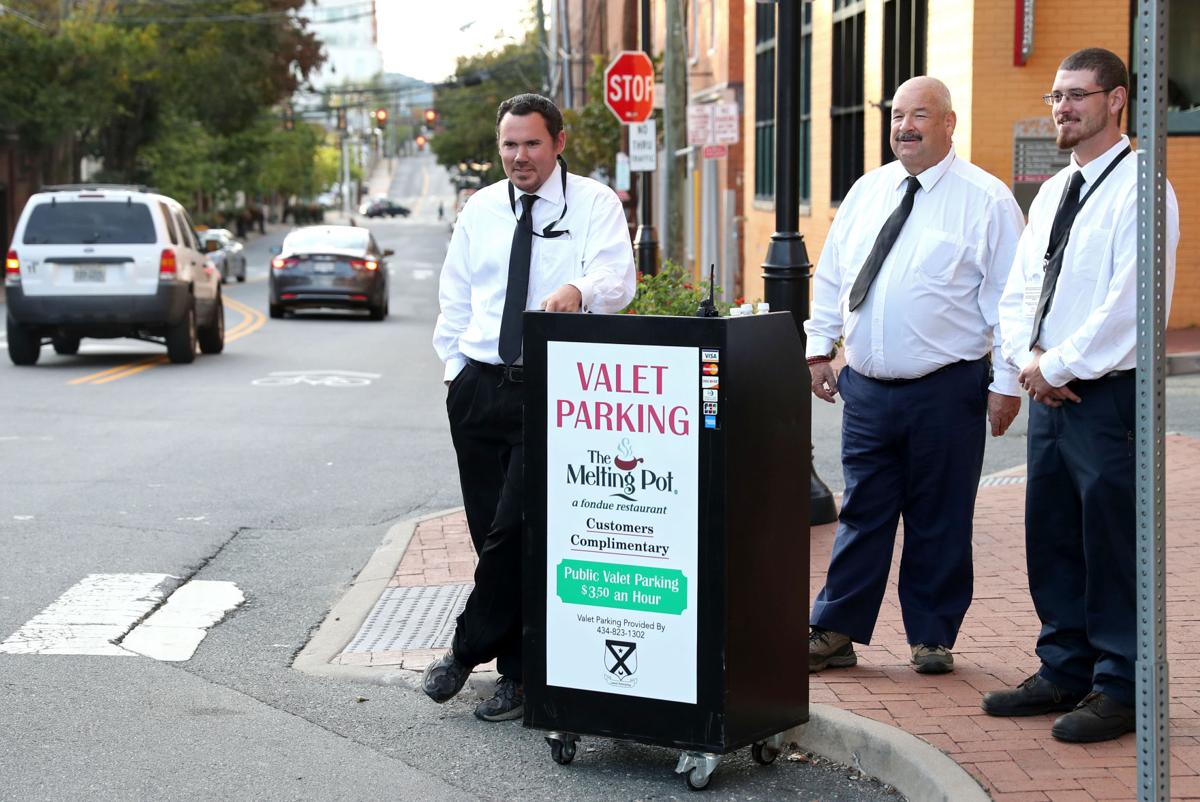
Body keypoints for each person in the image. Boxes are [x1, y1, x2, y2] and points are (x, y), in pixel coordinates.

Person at [984, 48, 1179, 743]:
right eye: (1055, 95)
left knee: (1110, 541)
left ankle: (1122, 687)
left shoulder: (1143, 189)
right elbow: (1018, 293)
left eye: (1076, 95)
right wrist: (1028, 362)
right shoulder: (1055, 192)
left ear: (1116, 100)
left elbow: (1133, 305)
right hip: (1051, 394)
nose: (1060, 107)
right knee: (1053, 535)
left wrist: (1060, 365)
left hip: (1104, 399)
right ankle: (1064, 667)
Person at [804, 76, 1025, 676]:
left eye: (920, 115)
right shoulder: (868, 192)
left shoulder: (986, 200)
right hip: (868, 389)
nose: (905, 126)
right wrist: (818, 347)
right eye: (898, 114)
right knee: (862, 514)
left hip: (946, 388)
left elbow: (1010, 301)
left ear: (950, 123)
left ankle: (932, 636)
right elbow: (833, 275)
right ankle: (836, 629)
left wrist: (1007, 381)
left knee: (940, 515)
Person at [428, 93, 636, 721]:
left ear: (559, 143)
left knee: (514, 529)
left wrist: (578, 289)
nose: (520, 157)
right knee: (488, 532)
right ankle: (518, 676)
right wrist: (454, 373)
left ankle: (464, 653)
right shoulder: (482, 209)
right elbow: (456, 296)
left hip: (549, 386)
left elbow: (619, 282)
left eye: (532, 144)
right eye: (509, 145)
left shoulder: (595, 203)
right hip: (477, 388)